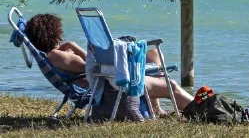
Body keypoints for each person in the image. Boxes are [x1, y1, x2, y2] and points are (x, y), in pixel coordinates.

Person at [25, 13, 194, 113]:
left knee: (153, 54)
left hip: (106, 81)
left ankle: (155, 109)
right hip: (110, 88)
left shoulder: (52, 56)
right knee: (170, 85)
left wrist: (70, 47)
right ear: (54, 33)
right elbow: (94, 68)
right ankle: (203, 111)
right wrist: (77, 48)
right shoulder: (59, 56)